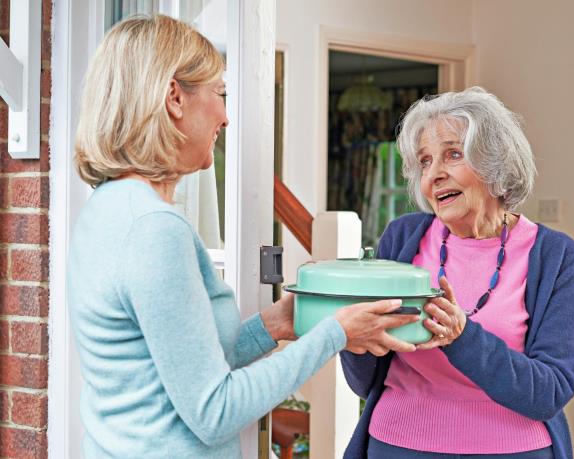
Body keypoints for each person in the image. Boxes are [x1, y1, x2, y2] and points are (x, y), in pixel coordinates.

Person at [67, 15, 418, 458]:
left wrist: (276, 324)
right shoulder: (154, 230)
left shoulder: (107, 207)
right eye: (220, 94)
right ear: (174, 97)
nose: (226, 117)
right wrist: (335, 334)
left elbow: (184, 364)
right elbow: (214, 411)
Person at [341, 88, 574, 459]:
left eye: (453, 154)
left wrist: (462, 337)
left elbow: (550, 391)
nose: (434, 175)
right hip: (398, 445)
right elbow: (367, 380)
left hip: (514, 450)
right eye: (425, 162)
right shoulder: (403, 238)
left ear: (495, 161)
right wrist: (354, 336)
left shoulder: (555, 256)